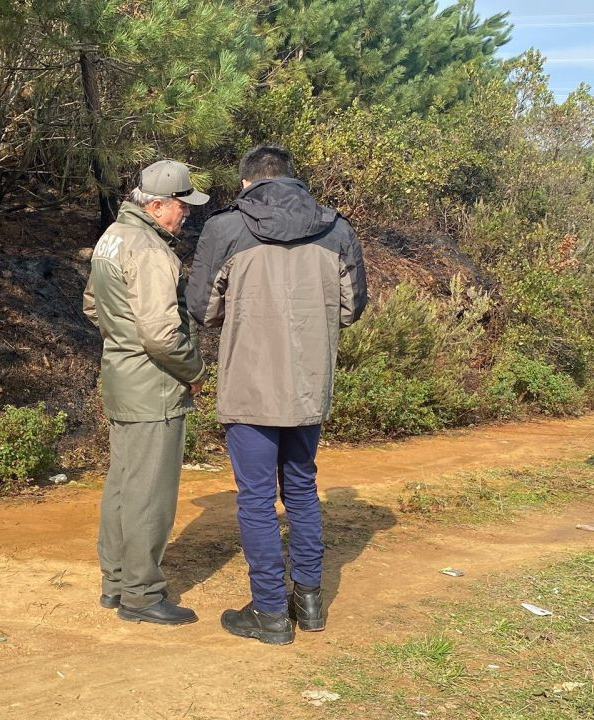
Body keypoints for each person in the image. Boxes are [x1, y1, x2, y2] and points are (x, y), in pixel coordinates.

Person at [186, 145, 367, 644]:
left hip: (249, 382)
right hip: (309, 384)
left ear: (247, 183)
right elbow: (352, 309)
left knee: (257, 500)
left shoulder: (226, 228)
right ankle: (308, 603)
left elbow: (201, 307)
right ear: (293, 180)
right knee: (303, 488)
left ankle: (269, 613)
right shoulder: (336, 228)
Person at [82, 160, 209, 624]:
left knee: (122, 485)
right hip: (153, 387)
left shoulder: (111, 237)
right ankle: (142, 595)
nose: (186, 215)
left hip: (121, 379)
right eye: (182, 206)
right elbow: (160, 334)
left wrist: (122, 341)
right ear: (157, 205)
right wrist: (194, 370)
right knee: (150, 493)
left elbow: (92, 306)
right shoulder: (151, 249)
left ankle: (116, 583)